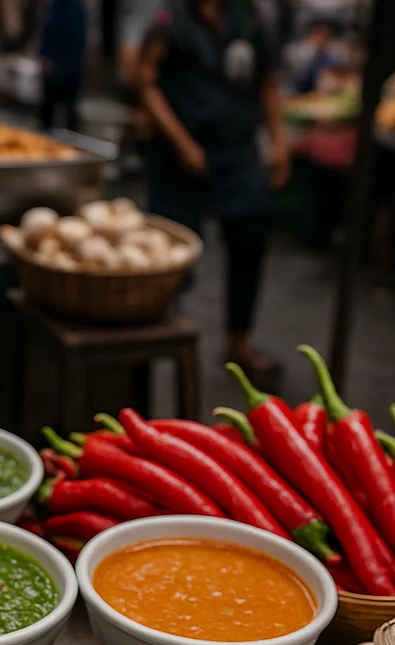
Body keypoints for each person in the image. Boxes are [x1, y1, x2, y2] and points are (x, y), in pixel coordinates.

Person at [136, 0, 289, 381]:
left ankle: (239, 342)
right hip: (179, 159)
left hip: (237, 153)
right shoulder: (173, 20)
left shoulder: (250, 21)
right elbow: (146, 80)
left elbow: (267, 83)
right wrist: (181, 142)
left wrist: (278, 141)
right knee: (170, 257)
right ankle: (151, 340)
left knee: (250, 237)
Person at [38, 0, 88, 132]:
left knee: (69, 109)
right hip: (59, 66)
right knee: (50, 108)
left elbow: (80, 40)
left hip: (69, 66)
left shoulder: (76, 9)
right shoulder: (55, 7)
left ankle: (69, 141)